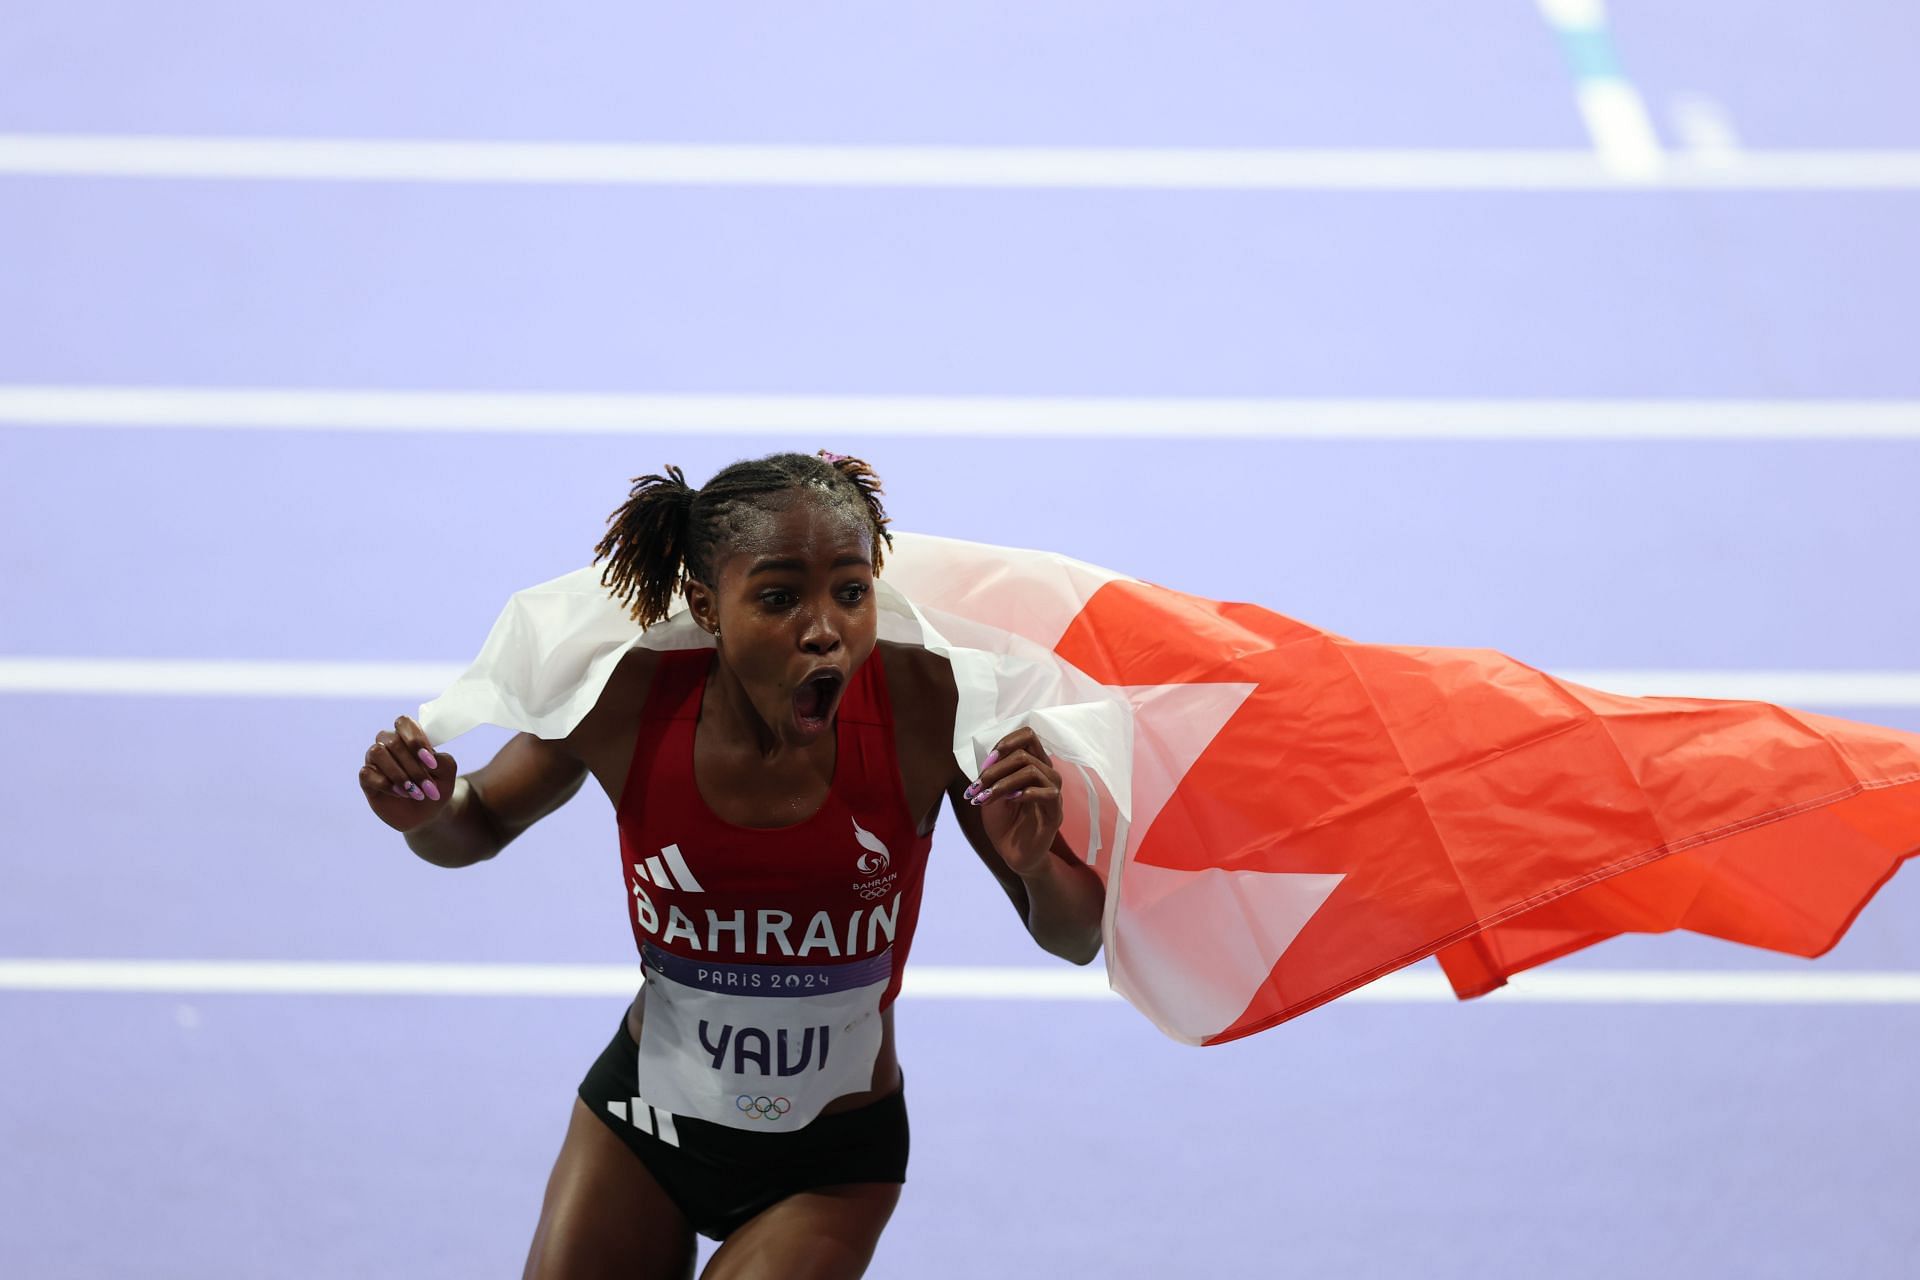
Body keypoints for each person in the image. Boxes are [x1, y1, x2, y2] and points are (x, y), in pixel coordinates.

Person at [357, 451, 1106, 1279]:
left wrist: (1035, 865)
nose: (825, 628)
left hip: (831, 1163)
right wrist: (428, 813)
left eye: (851, 592)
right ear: (708, 607)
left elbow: (1074, 937)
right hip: (643, 1126)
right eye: (780, 598)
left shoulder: (934, 707)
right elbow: (480, 817)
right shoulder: (628, 697)